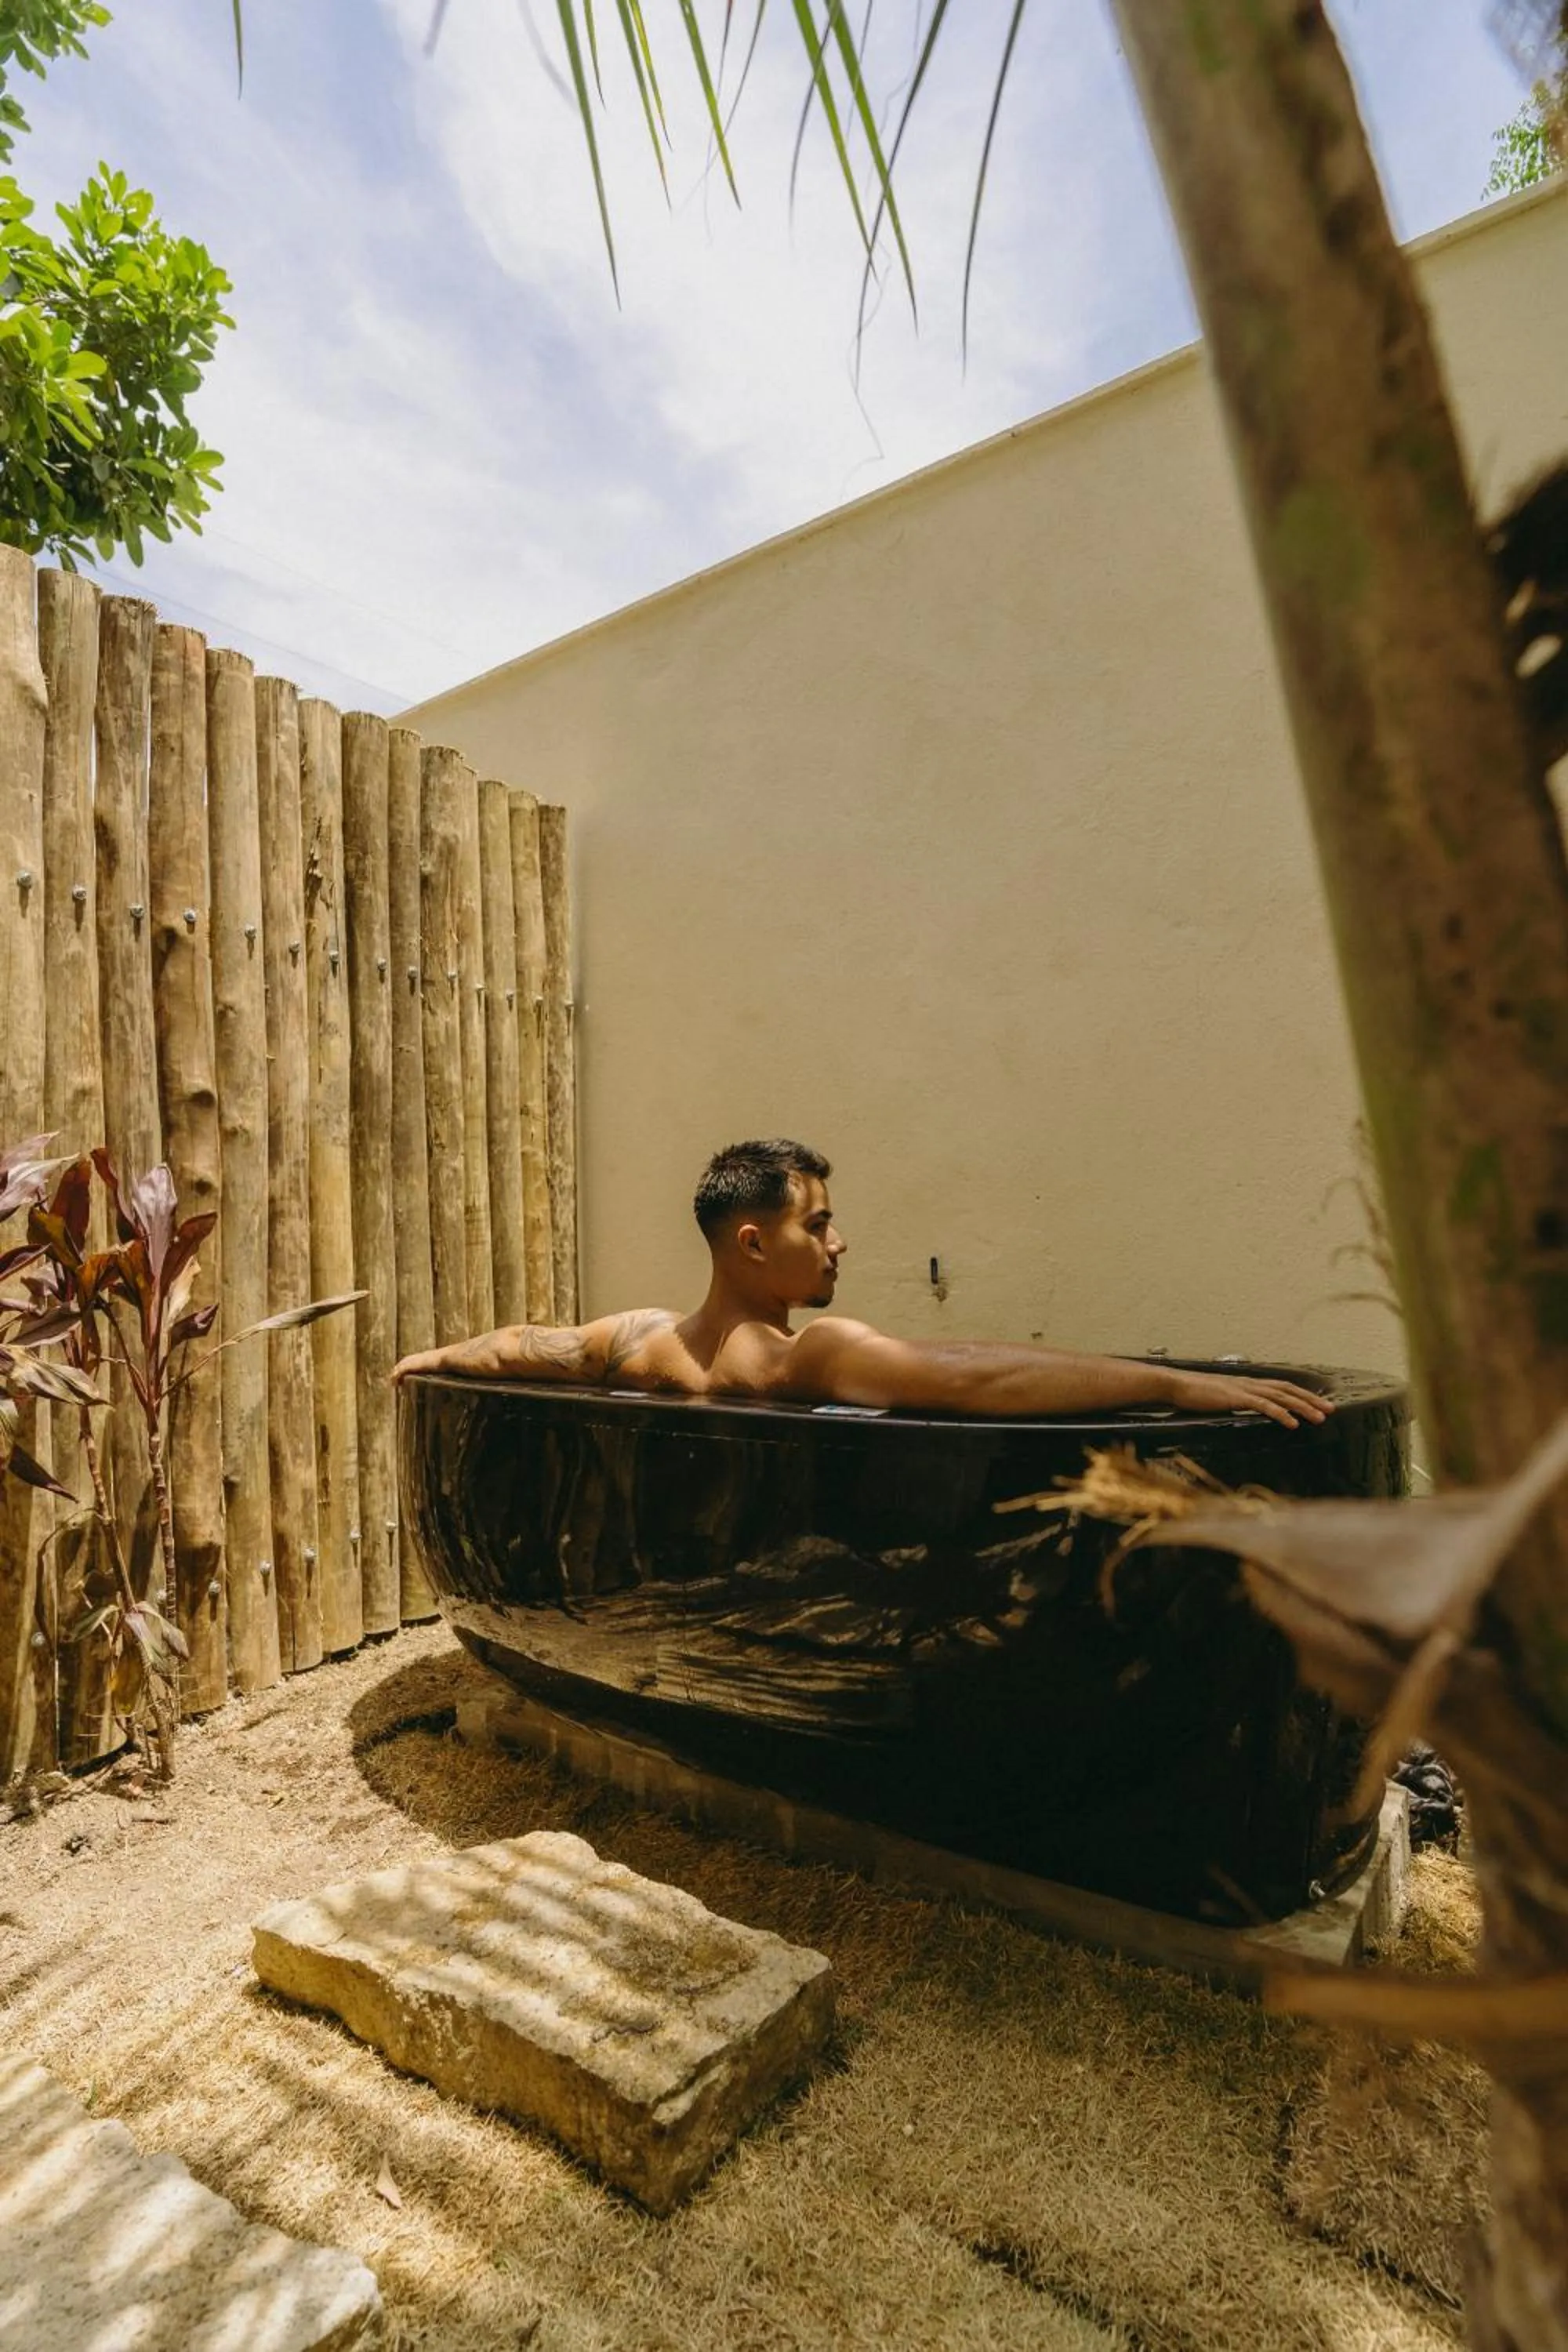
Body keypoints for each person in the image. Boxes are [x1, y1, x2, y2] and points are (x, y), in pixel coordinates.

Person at [391, 1137, 1331, 1428]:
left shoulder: (640, 1342)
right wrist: (1171, 1384)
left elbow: (520, 1346)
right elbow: (969, 1376)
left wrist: (432, 1358)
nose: (839, 1243)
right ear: (752, 1245)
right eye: (820, 1223)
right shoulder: (801, 1356)